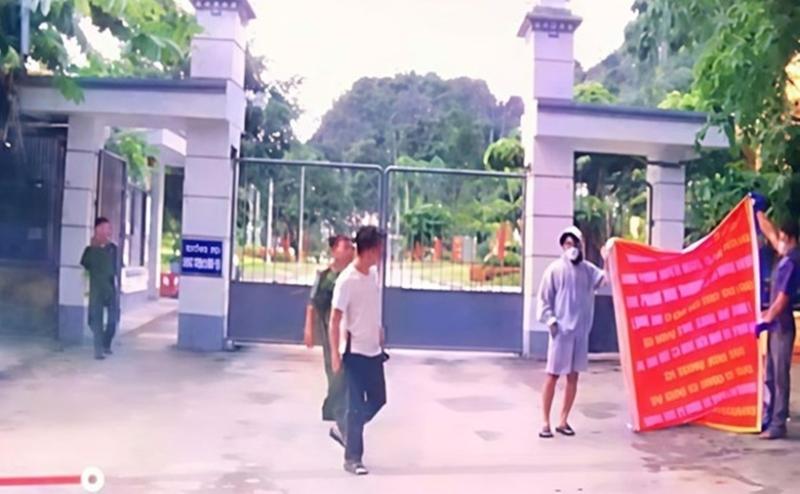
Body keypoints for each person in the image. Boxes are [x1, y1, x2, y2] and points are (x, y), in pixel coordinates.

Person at [536, 226, 606, 439]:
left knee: (573, 377)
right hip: (561, 333)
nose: (572, 247)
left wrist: (608, 257)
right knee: (552, 375)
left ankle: (563, 420)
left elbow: (605, 279)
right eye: (568, 243)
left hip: (580, 333)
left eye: (575, 243)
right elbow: (544, 300)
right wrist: (551, 320)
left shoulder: (587, 270)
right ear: (562, 246)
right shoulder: (554, 270)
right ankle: (545, 421)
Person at [329, 226, 387, 476]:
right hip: (353, 353)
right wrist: (335, 353)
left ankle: (344, 428)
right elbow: (334, 320)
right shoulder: (346, 281)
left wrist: (379, 329)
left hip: (373, 350)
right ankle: (353, 459)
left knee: (378, 399)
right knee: (354, 406)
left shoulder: (373, 274)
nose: (382, 254)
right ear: (370, 250)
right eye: (379, 249)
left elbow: (371, 306)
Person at [751, 193, 799, 440]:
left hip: (782, 325)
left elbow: (782, 299)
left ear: (790, 238)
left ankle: (778, 424)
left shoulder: (793, 262)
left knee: (780, 376)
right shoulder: (786, 254)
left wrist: (766, 318)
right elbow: (770, 234)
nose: (778, 240)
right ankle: (769, 417)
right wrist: (758, 212)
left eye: (782, 237)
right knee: (770, 373)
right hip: (775, 325)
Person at [303, 234, 355, 444]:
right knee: (332, 368)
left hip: (348, 329)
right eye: (345, 247)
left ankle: (337, 409)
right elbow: (312, 303)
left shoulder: (353, 276)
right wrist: (309, 328)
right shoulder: (324, 276)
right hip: (328, 329)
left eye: (351, 247)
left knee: (345, 372)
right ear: (334, 250)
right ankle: (335, 408)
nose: (350, 251)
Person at [80, 217, 120, 360]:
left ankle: (106, 343)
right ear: (97, 229)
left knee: (112, 321)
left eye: (108, 228)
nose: (107, 231)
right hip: (96, 289)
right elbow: (84, 266)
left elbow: (117, 269)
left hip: (111, 288)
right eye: (104, 228)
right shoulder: (90, 250)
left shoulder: (113, 249)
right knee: (95, 320)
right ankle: (98, 350)